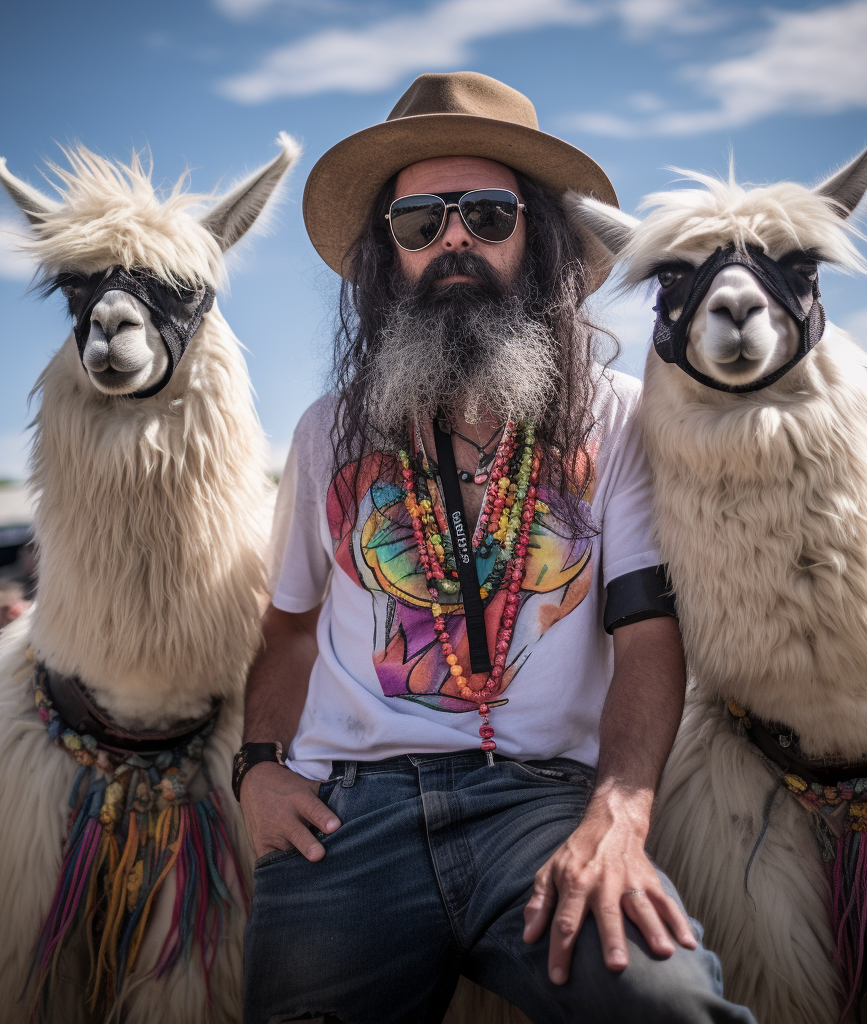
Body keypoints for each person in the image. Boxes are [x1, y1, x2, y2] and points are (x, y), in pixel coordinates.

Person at [237, 72, 755, 1023]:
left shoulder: (618, 418)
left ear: (540, 235)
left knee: (673, 1008)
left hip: (538, 808)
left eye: (485, 212)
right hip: (351, 817)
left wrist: (621, 811)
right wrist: (257, 769)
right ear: (387, 253)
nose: (453, 241)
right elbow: (290, 632)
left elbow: (646, 636)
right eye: (419, 223)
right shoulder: (328, 432)